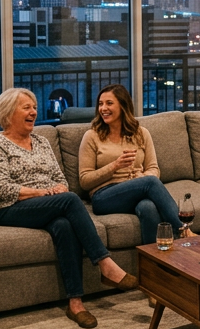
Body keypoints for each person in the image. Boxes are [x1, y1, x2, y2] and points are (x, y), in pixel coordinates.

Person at [0, 88, 136, 329]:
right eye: (27, 107)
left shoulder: (42, 142)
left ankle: (75, 303)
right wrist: (42, 192)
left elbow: (60, 179)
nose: (34, 112)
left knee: (64, 225)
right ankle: (105, 264)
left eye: (34, 107)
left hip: (46, 205)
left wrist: (58, 189)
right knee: (71, 200)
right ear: (8, 113)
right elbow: (2, 188)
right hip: (11, 208)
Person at [78, 84, 183, 245]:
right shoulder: (92, 136)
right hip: (103, 197)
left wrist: (142, 177)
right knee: (150, 182)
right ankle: (183, 229)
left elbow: (153, 168)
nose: (103, 108)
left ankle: (154, 258)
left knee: (148, 207)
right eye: (100, 104)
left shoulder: (141, 133)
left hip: (136, 191)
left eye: (109, 103)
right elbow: (84, 181)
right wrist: (114, 166)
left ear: (123, 105)